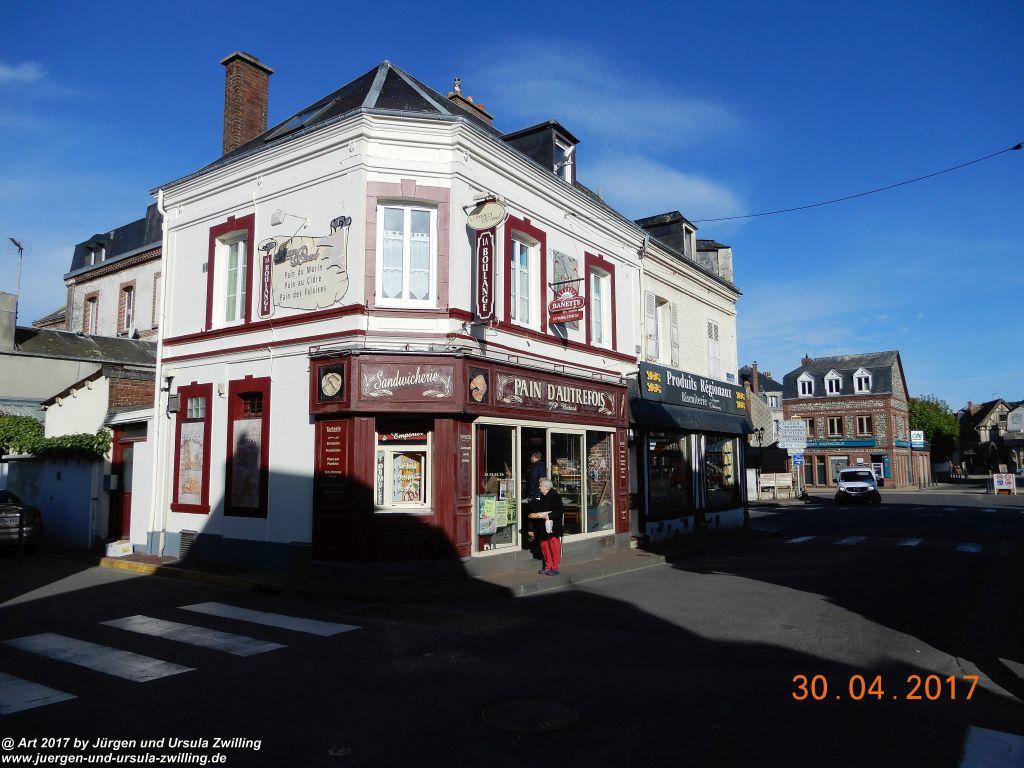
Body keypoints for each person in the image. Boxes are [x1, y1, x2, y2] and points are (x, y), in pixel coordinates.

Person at [528, 477, 564, 575]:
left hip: (553, 527)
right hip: (543, 526)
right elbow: (541, 508)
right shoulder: (543, 496)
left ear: (546, 487)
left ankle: (555, 567)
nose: (539, 488)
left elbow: (560, 511)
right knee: (544, 545)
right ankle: (548, 566)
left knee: (554, 546)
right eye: (539, 486)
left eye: (541, 486)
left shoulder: (555, 496)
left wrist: (549, 515)